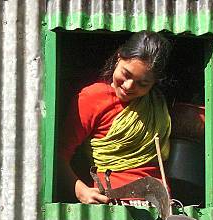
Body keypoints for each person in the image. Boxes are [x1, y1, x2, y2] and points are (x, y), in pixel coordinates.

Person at [59, 30, 172, 204]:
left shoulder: (157, 104)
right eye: (126, 74)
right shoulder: (92, 98)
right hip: (112, 205)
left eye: (143, 83)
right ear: (119, 58)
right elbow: (57, 156)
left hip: (157, 205)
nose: (128, 86)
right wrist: (80, 190)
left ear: (154, 82)